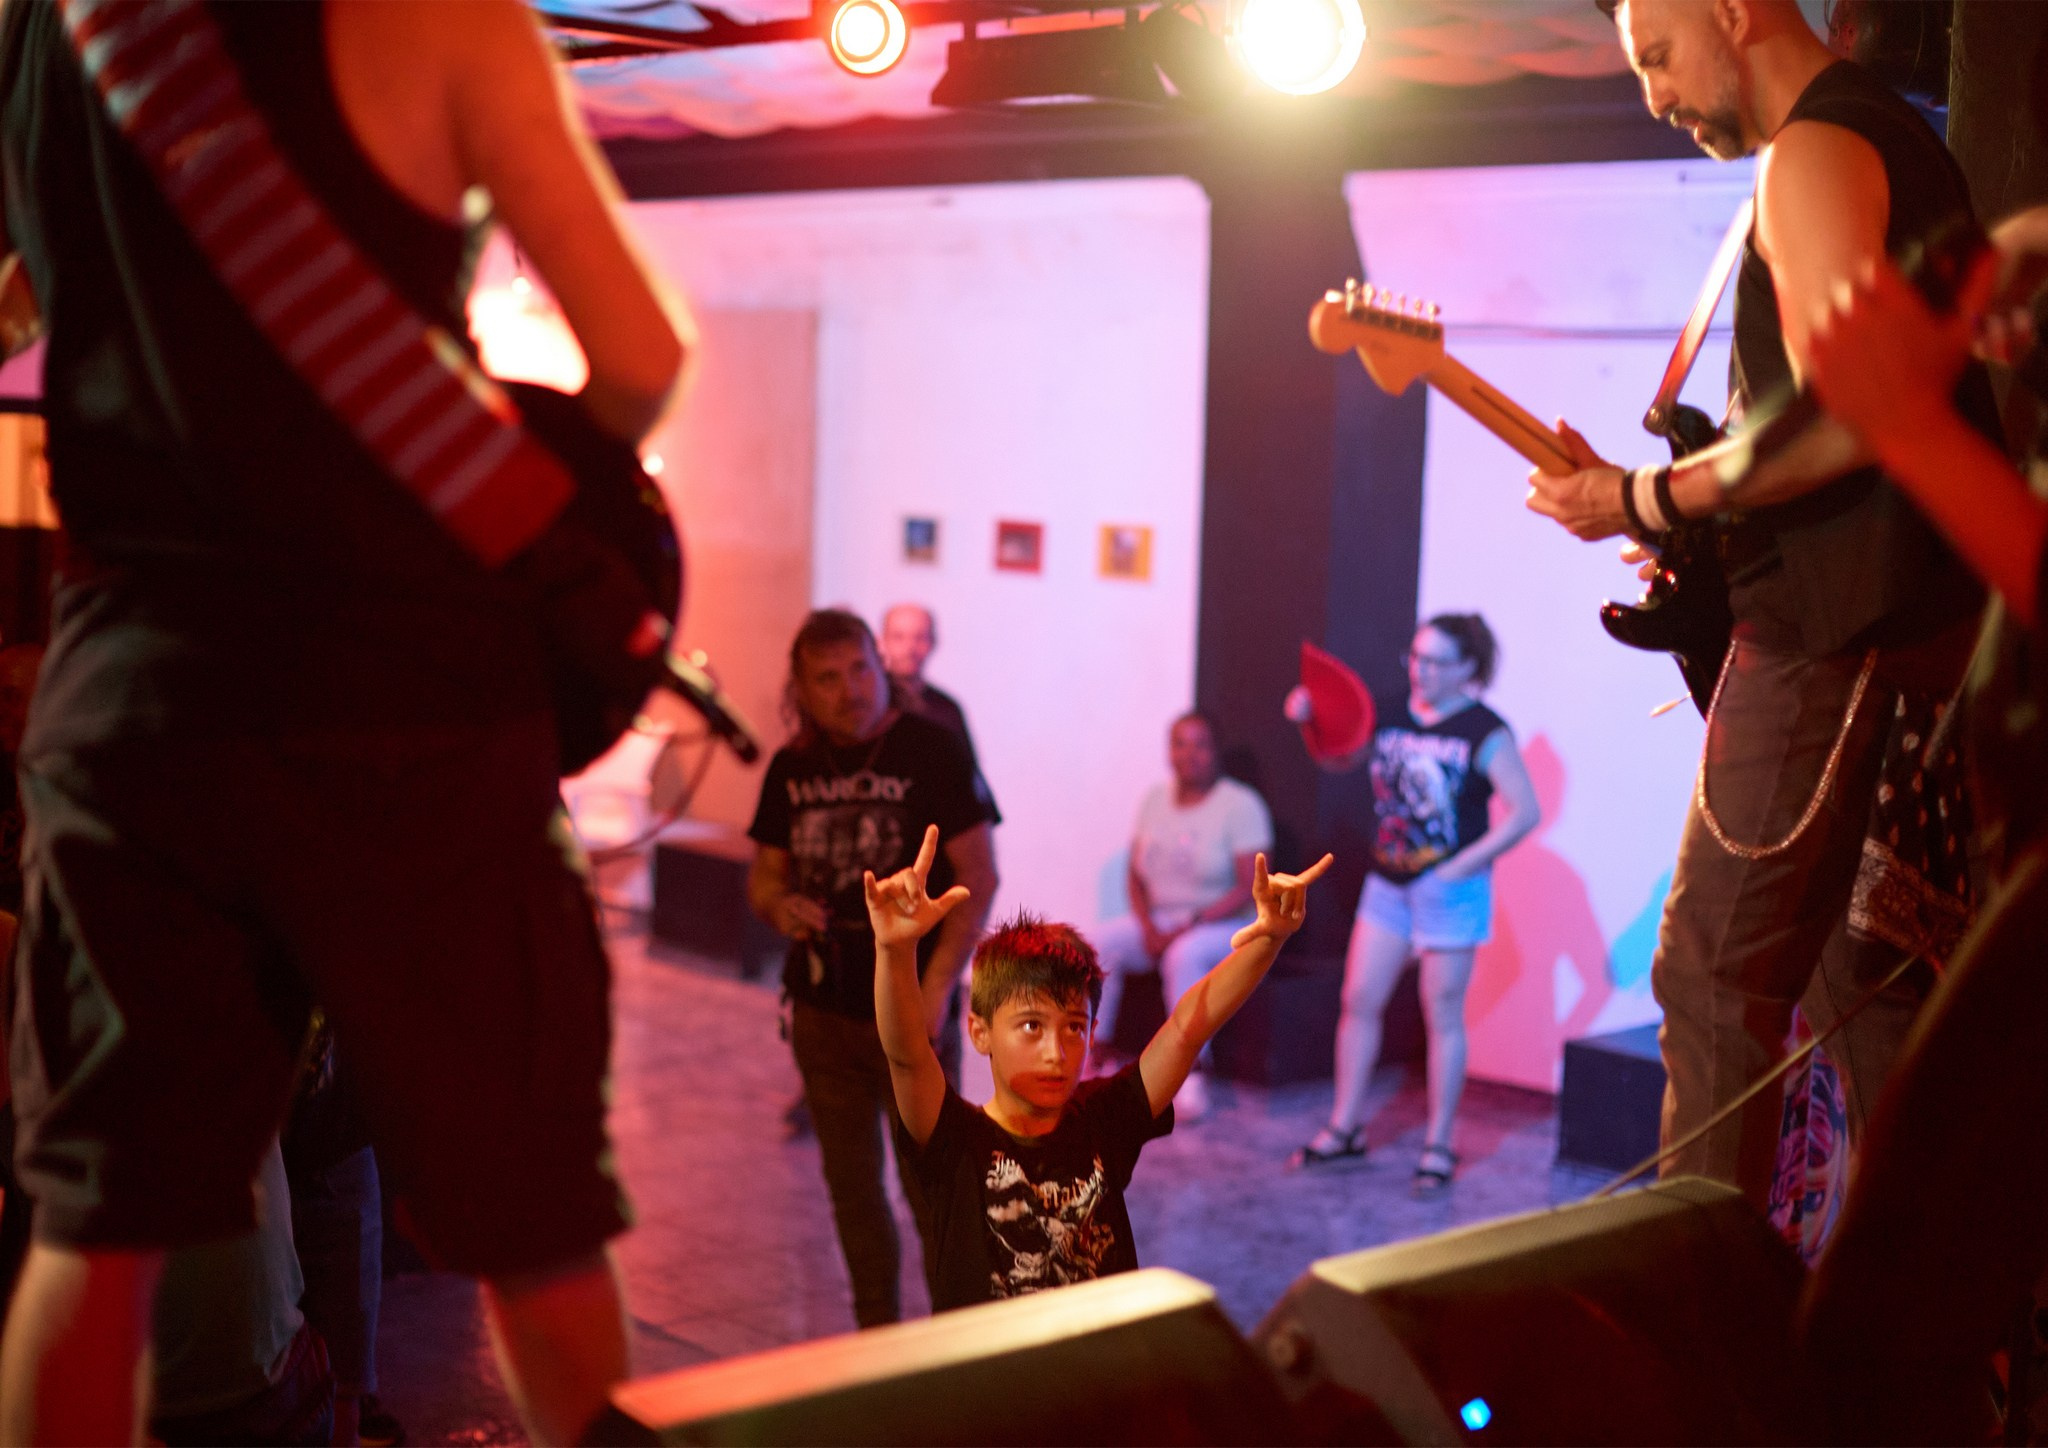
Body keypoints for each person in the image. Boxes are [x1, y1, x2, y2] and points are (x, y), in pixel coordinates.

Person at [0, 2, 692, 1440]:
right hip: (413, 705)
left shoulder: (42, 25)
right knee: (536, 1240)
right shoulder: (439, 14)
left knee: (95, 1254)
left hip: (136, 701)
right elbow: (638, 355)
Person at [1521, 0, 1998, 1209]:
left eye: (1657, 57)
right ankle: (1914, 1336)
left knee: (1708, 981)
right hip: (1907, 638)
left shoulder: (1813, 149)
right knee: (1869, 991)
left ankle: (1698, 1338)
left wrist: (1647, 495)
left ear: (1733, 11)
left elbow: (1850, 416)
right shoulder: (1885, 142)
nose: (1651, 97)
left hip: (1828, 647)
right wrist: (1694, 516)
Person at [868, 824, 1330, 1310]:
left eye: (1074, 1027)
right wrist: (895, 949)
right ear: (979, 1031)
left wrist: (1268, 941)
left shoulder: (1104, 1118)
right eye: (1030, 1027)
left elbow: (1187, 1028)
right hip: (993, 1381)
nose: (1056, 1051)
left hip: (1102, 1368)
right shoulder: (953, 1139)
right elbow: (906, 1053)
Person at [747, 609, 999, 1327]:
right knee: (854, 1200)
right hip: (824, 1021)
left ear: (878, 667)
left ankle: (964, 1359)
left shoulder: (933, 749)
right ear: (801, 687)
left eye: (860, 669)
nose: (850, 690)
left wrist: (940, 986)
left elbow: (977, 876)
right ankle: (878, 1349)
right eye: (827, 679)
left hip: (914, 1018)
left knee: (934, 1198)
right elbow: (762, 879)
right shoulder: (792, 768)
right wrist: (782, 906)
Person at [1284, 615, 1539, 1191]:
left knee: (1442, 1014)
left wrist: (1462, 865)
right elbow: (1341, 758)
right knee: (1359, 999)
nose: (1420, 671)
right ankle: (1344, 1128)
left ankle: (1438, 1145)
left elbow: (1526, 811)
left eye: (1435, 661)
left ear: (1468, 668)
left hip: (1450, 891)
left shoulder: (1484, 730)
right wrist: (1309, 721)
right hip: (1388, 883)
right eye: (1416, 657)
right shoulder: (1394, 713)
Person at [1087, 712, 1274, 1122]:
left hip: (1223, 923)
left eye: (1200, 744)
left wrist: (1186, 925)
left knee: (1182, 956)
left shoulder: (1240, 805)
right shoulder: (1155, 799)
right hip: (1160, 918)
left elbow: (1250, 886)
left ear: (1216, 752)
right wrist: (1149, 925)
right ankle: (1095, 1056)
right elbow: (1135, 875)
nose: (1189, 754)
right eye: (1179, 743)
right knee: (1099, 944)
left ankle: (1191, 1074)